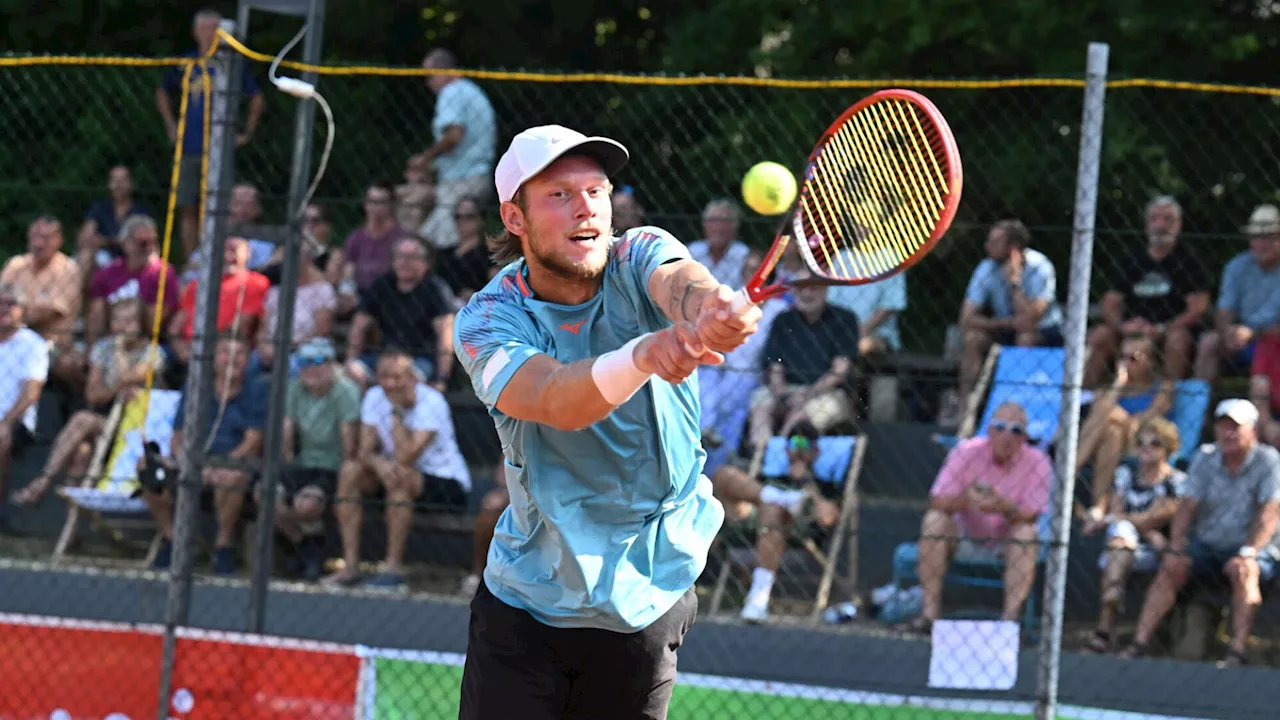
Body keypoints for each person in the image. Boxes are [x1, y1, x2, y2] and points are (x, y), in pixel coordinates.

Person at [452, 124, 761, 719]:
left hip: (646, 599)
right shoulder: (489, 319)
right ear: (514, 218)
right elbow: (555, 399)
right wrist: (642, 355)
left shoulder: (637, 251)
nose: (586, 207)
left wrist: (709, 309)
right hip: (526, 606)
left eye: (596, 191)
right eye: (559, 195)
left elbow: (681, 283)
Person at [1122, 399, 1280, 667]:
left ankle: (1237, 651)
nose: (1228, 433)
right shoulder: (1205, 457)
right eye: (1223, 426)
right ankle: (1139, 643)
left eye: (1236, 427)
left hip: (1253, 549)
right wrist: (1177, 546)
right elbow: (1186, 509)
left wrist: (1249, 552)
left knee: (1245, 572)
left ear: (1252, 431)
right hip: (1206, 547)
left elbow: (1270, 513)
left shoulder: (1269, 461)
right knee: (1171, 566)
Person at [904, 401, 1052, 634]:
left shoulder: (1038, 461)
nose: (1007, 436)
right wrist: (966, 500)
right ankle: (929, 615)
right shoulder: (966, 451)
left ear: (1024, 438)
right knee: (934, 521)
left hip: (1008, 540)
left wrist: (1001, 505)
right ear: (990, 430)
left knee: (1026, 534)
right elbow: (937, 501)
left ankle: (1009, 622)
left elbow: (1030, 516)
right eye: (1001, 427)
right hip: (965, 534)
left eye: (1016, 430)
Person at [710, 420, 840, 623]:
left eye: (805, 446)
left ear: (816, 451)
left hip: (793, 528)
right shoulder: (770, 474)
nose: (797, 451)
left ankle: (758, 600)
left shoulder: (824, 483)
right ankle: (776, 497)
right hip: (752, 516)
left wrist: (806, 481)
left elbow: (827, 518)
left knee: (772, 511)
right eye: (793, 444)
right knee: (723, 474)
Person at [1079, 417, 1184, 654]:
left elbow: (1159, 516)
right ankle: (1112, 596)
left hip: (1160, 551)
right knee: (1120, 535)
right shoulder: (1126, 474)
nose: (1146, 448)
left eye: (1155, 443)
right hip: (1128, 544)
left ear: (1168, 448)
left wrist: (1138, 524)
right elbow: (1120, 513)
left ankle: (1104, 628)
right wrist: (1145, 526)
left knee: (1120, 534)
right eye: (1141, 443)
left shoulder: (1176, 482)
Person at [1073, 334, 1174, 520]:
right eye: (1122, 357)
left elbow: (1144, 422)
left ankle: (1071, 467)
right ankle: (1098, 507)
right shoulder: (1109, 388)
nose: (1126, 363)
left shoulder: (1163, 388)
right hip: (1111, 442)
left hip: (1142, 442)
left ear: (1150, 360)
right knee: (1112, 432)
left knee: (1111, 415)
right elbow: (1098, 414)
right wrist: (1119, 385)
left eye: (1133, 358)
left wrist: (1118, 415)